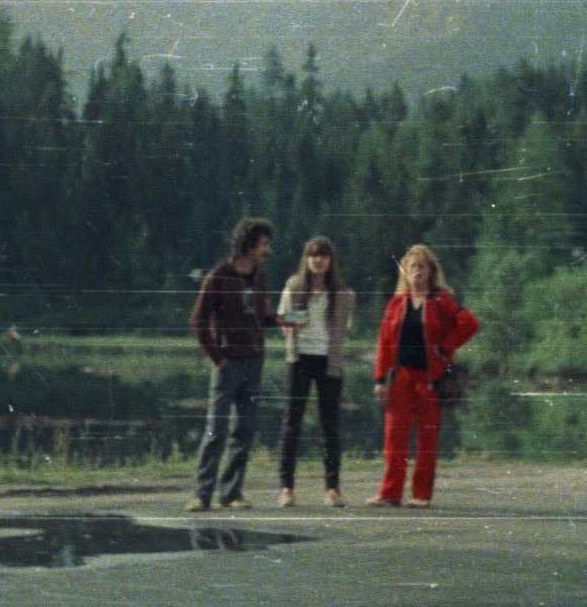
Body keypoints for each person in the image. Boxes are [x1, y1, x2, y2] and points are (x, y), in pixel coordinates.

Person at [367, 245, 479, 508]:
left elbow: (470, 323)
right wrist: (380, 380)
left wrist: (445, 346)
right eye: (412, 267)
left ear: (431, 271)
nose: (417, 272)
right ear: (404, 270)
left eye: (422, 267)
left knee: (427, 438)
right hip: (399, 378)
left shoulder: (442, 301)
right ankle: (390, 493)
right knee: (394, 436)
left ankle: (421, 494)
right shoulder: (396, 303)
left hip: (431, 378)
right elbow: (384, 344)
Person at [187, 218, 285, 511]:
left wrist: (280, 320)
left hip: (254, 360)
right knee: (216, 429)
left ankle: (231, 493)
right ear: (248, 243)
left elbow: (259, 316)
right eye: (264, 243)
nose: (268, 249)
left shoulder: (259, 277)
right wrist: (217, 357)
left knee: (245, 429)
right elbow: (197, 321)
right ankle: (201, 494)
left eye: (269, 243)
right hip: (227, 361)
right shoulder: (218, 276)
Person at [275, 236, 356, 508]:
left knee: (329, 426)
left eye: (323, 256)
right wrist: (293, 322)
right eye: (312, 255)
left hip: (328, 361)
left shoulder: (342, 293)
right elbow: (284, 324)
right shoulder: (295, 286)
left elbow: (344, 329)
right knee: (291, 424)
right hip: (299, 360)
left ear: (331, 260)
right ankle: (286, 488)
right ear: (306, 259)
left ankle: (332, 489)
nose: (317, 260)